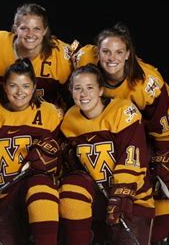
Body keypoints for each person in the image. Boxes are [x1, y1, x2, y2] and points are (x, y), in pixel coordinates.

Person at [73, 23, 169, 244]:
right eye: (106, 51)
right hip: (100, 137)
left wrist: (163, 157)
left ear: (128, 53)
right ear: (97, 52)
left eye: (119, 52)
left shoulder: (147, 83)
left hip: (137, 139)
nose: (112, 58)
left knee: (150, 187)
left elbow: (161, 129)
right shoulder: (83, 59)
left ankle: (157, 237)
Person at [59, 64, 155, 245]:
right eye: (77, 88)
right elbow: (70, 165)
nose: (83, 94)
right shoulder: (69, 120)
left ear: (101, 90)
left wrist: (121, 193)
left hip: (132, 200)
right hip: (97, 201)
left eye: (90, 87)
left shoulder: (123, 111)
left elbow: (131, 157)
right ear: (71, 91)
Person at [0, 58, 64, 244]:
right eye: (13, 86)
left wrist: (50, 155)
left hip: (34, 196)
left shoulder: (50, 113)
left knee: (40, 184)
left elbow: (62, 156)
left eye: (25, 86)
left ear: (34, 87)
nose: (20, 92)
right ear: (4, 87)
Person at [0, 3, 77, 110]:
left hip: (45, 120)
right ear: (15, 29)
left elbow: (86, 58)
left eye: (37, 29)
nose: (30, 34)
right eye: (24, 28)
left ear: (45, 30)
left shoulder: (60, 54)